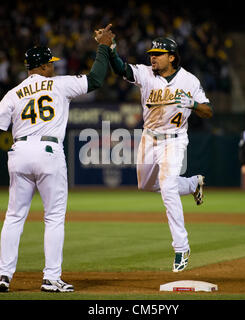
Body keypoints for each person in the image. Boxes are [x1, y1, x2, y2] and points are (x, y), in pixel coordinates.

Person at [0, 25, 115, 292]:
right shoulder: (59, 85)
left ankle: (3, 276)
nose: (53, 67)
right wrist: (104, 47)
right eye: (51, 63)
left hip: (20, 152)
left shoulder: (13, 93)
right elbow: (95, 80)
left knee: (14, 216)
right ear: (44, 66)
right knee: (54, 217)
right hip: (49, 152)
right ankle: (50, 278)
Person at [95, 33, 213, 272]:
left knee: (168, 187)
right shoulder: (146, 73)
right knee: (146, 185)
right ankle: (192, 184)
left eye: (158, 55)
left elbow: (208, 111)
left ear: (172, 57)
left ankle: (181, 248)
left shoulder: (189, 81)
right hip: (149, 138)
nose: (153, 58)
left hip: (175, 140)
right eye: (151, 54)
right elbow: (121, 69)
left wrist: (192, 103)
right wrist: (110, 49)